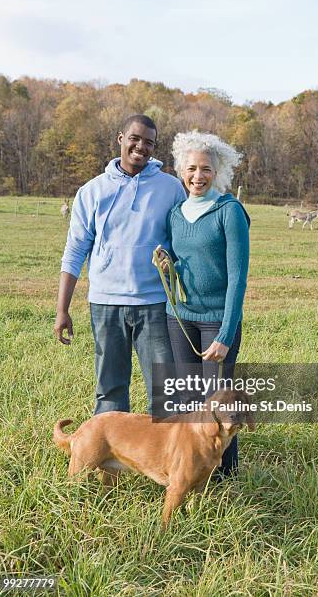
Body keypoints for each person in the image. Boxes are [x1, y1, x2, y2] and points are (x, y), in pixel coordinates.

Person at [54, 114, 186, 414]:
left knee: (165, 391)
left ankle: (165, 459)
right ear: (120, 139)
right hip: (105, 303)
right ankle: (107, 457)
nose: (141, 147)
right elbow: (75, 250)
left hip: (153, 303)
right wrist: (62, 309)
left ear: (155, 147)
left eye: (149, 142)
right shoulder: (92, 191)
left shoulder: (171, 188)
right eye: (135, 139)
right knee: (110, 389)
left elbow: (182, 243)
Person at [162, 130, 250, 478]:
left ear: (219, 172)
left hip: (217, 323)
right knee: (187, 400)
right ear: (181, 170)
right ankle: (189, 471)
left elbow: (237, 278)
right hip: (180, 319)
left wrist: (226, 333)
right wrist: (168, 264)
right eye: (192, 169)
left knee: (219, 403)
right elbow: (180, 263)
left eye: (206, 170)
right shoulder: (175, 214)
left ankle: (226, 474)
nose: (198, 176)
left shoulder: (229, 212)